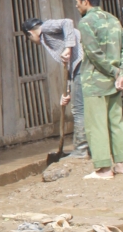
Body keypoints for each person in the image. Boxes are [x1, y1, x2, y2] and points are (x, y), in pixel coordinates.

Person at [73, 0, 123, 180]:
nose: (76, 6)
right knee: (116, 121)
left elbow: (94, 54)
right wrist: (122, 73)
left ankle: (104, 169)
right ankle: (121, 165)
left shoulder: (86, 22)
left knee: (96, 124)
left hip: (95, 82)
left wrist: (115, 72)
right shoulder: (114, 19)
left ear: (85, 1)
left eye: (76, 2)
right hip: (115, 82)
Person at [23, 17, 88, 159]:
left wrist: (68, 48)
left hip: (83, 66)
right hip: (79, 69)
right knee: (85, 108)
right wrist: (69, 91)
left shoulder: (45, 28)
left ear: (30, 33)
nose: (33, 42)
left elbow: (68, 22)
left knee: (79, 110)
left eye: (29, 39)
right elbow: (70, 66)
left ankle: (81, 151)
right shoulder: (47, 38)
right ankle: (88, 148)